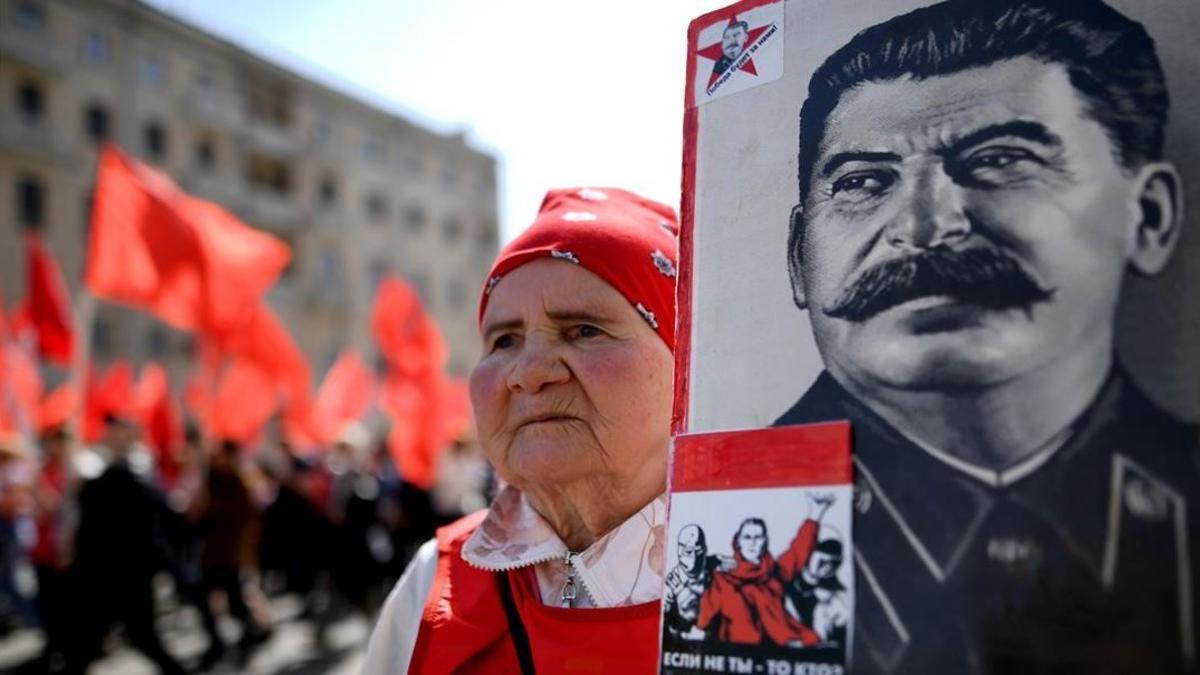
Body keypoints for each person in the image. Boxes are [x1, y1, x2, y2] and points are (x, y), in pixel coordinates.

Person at [772, 1, 1198, 672]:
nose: (921, 225)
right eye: (863, 181)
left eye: (1000, 159)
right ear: (799, 258)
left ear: (1147, 216)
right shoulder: (733, 531)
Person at [363, 187, 679, 673]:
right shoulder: (435, 581)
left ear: (685, 362)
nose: (527, 372)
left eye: (584, 330)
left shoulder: (784, 569)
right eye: (504, 339)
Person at [69, 413, 186, 674]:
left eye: (122, 431)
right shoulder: (93, 468)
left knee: (141, 637)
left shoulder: (139, 472)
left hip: (132, 572)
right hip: (104, 571)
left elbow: (162, 517)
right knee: (89, 642)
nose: (116, 436)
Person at [689, 496, 832, 647]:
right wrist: (698, 631)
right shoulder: (723, 578)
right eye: (747, 537)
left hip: (782, 646)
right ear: (738, 541)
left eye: (758, 537)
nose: (752, 542)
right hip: (738, 652)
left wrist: (815, 515)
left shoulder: (774, 571)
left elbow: (797, 552)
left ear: (765, 541)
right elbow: (706, 611)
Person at [663, 524, 725, 638]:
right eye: (688, 551)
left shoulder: (716, 564)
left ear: (705, 550)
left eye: (698, 551)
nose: (694, 557)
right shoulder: (669, 585)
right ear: (679, 551)